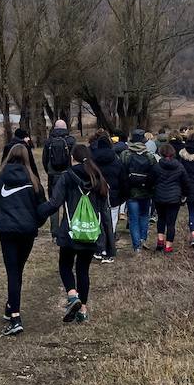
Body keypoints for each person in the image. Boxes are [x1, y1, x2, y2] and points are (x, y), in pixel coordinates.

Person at [38, 143, 109, 324]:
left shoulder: (67, 177)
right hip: (91, 232)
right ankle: (83, 309)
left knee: (65, 265)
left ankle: (72, 295)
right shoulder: (98, 178)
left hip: (71, 232)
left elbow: (54, 203)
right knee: (83, 270)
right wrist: (106, 238)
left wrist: (36, 213)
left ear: (72, 158)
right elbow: (104, 209)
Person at [0, 142, 48, 336]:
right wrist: (36, 223)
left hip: (8, 231)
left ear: (8, 157)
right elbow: (42, 208)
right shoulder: (33, 180)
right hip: (28, 232)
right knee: (18, 269)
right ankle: (11, 307)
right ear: (27, 158)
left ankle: (15, 316)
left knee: (13, 271)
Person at [120, 130, 158, 253]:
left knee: (133, 219)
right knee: (144, 216)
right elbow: (155, 174)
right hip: (146, 191)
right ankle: (143, 239)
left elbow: (121, 173)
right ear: (143, 140)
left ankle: (136, 246)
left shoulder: (125, 154)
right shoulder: (149, 156)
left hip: (131, 192)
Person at [89, 133, 123, 263]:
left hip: (95, 193)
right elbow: (122, 178)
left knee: (98, 220)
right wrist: (122, 195)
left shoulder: (92, 159)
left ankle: (99, 248)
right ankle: (109, 247)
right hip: (113, 194)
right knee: (111, 221)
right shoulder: (116, 159)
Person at [149, 143, 186, 254]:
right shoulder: (179, 166)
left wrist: (152, 191)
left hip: (159, 197)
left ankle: (160, 241)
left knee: (161, 219)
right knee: (171, 223)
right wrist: (184, 194)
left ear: (161, 153)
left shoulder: (156, 166)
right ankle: (168, 246)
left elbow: (150, 181)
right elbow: (186, 182)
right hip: (174, 198)